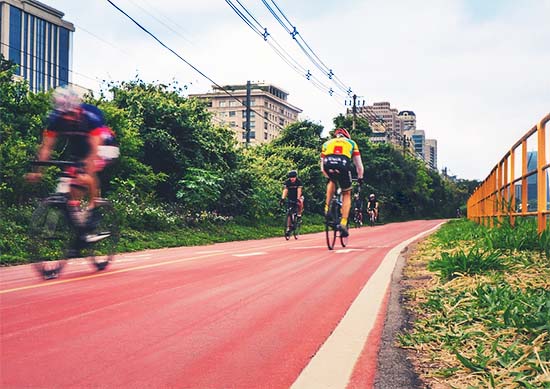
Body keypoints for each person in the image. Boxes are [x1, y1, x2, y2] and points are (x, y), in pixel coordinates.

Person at [26, 86, 119, 236]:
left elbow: (95, 150)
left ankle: (94, 208)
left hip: (104, 145)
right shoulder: (56, 120)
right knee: (71, 182)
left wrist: (85, 171)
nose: (68, 118)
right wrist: (38, 172)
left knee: (87, 172)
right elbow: (46, 148)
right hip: (81, 148)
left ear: (77, 109)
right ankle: (79, 222)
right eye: (64, 115)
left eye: (71, 114)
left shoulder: (90, 116)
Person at [320, 127, 364, 237]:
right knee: (347, 193)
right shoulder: (352, 143)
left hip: (328, 164)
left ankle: (327, 207)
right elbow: (359, 166)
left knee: (331, 181)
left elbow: (322, 168)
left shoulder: (327, 143)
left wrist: (328, 176)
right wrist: (360, 178)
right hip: (342, 165)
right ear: (347, 136)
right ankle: (343, 223)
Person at [281, 170, 304, 234]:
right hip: (290, 197)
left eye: (293, 177)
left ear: (296, 177)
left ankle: (299, 215)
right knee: (289, 213)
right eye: (291, 177)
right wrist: (283, 198)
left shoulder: (298, 182)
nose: (292, 179)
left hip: (298, 196)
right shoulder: (287, 182)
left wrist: (298, 199)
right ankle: (289, 228)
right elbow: (285, 190)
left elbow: (299, 191)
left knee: (300, 202)